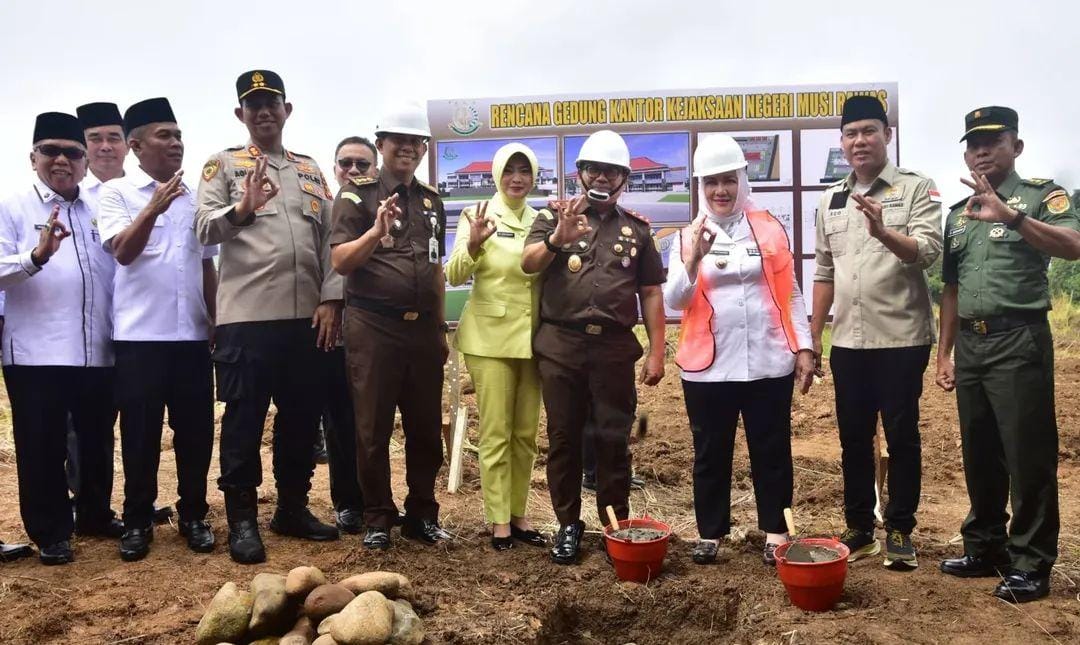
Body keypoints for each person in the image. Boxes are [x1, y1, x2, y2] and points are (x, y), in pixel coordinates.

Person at [196, 69, 343, 564]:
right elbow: (202, 230)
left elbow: (328, 240)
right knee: (244, 421)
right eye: (252, 104)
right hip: (248, 320)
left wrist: (332, 298)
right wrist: (242, 208)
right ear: (241, 114)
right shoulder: (223, 165)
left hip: (307, 319)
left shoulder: (309, 168)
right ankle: (242, 521)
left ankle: (292, 508)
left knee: (302, 418)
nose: (263, 111)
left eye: (271, 103)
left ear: (287, 110)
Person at [936, 106, 1080, 602]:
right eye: (973, 143)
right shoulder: (958, 214)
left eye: (992, 141)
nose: (980, 150)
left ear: (1015, 147)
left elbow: (1073, 245)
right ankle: (984, 547)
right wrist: (944, 355)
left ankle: (1031, 562)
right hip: (971, 345)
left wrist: (1013, 218)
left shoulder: (1040, 196)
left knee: (1027, 453)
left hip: (1019, 341)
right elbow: (950, 290)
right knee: (980, 451)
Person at [664, 134, 815, 565]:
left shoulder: (769, 227)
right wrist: (693, 259)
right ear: (701, 187)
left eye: (728, 180)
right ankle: (710, 533)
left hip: (769, 363)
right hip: (708, 369)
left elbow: (793, 293)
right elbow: (675, 299)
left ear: (742, 180)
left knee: (772, 449)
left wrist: (803, 346)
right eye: (711, 183)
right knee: (710, 453)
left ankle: (776, 531)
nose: (720, 191)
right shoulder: (687, 236)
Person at [521, 129, 666, 565]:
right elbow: (528, 264)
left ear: (624, 179)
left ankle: (614, 525)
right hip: (561, 346)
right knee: (564, 439)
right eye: (594, 169)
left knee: (613, 439)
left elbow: (652, 293)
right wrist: (556, 239)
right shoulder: (553, 217)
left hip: (614, 351)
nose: (602, 178)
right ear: (579, 173)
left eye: (612, 172)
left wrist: (658, 351)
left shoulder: (637, 230)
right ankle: (567, 525)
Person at [811, 96, 942, 570]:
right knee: (853, 437)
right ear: (841, 142)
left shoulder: (915, 188)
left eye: (869, 130)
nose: (860, 140)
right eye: (851, 133)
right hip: (848, 342)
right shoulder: (831, 199)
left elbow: (926, 252)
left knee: (902, 436)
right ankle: (860, 528)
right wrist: (814, 339)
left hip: (901, 339)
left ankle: (901, 528)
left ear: (886, 134)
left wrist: (885, 232)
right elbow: (824, 273)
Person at [97, 98, 217, 561]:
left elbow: (207, 266)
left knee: (195, 433)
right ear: (136, 145)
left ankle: (193, 515)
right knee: (140, 435)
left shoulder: (196, 198)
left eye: (179, 135)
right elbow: (123, 252)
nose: (176, 143)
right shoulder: (117, 193)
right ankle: (137, 520)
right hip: (139, 340)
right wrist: (152, 206)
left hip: (190, 339)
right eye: (164, 135)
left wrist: (214, 319)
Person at [0, 112, 119, 565]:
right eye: (51, 150)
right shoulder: (12, 206)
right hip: (36, 351)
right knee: (42, 445)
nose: (62, 160)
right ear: (33, 158)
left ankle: (93, 514)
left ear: (85, 161)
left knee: (96, 438)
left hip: (95, 348)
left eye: (72, 153)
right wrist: (34, 256)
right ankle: (51, 531)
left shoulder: (97, 208)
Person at [330, 103, 450, 550]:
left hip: (422, 333)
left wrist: (439, 330)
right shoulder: (356, 196)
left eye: (415, 141)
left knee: (424, 428)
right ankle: (378, 516)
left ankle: (422, 513)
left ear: (423, 149)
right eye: (397, 140)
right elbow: (341, 261)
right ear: (380, 144)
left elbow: (436, 269)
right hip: (373, 328)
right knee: (372, 429)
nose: (407, 148)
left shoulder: (430, 201)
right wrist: (373, 234)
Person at [446, 142, 548, 551]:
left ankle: (519, 517)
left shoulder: (542, 219)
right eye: (510, 171)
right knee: (496, 433)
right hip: (489, 340)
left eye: (525, 171)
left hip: (532, 340)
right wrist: (473, 244)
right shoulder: (477, 214)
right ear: (497, 175)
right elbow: (453, 274)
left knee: (525, 435)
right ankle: (498, 522)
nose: (517, 178)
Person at [314, 135, 380, 534]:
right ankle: (348, 503)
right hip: (333, 332)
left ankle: (377, 503)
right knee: (339, 421)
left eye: (361, 164)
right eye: (345, 164)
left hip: (376, 332)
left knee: (372, 424)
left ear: (374, 168)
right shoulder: (322, 208)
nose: (353, 171)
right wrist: (331, 299)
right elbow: (322, 262)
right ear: (334, 167)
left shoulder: (383, 206)